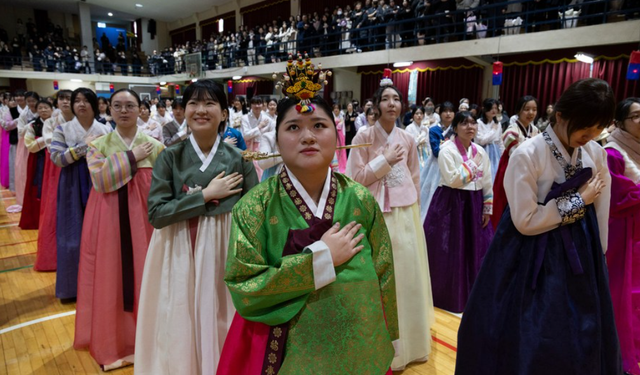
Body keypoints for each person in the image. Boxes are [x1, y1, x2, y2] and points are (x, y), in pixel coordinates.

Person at [218, 57, 398, 374]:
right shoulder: (255, 205)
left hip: (360, 345)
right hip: (289, 352)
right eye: (293, 127)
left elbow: (384, 273)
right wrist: (320, 259)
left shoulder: (360, 199)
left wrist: (388, 333)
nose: (308, 137)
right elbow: (243, 287)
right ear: (277, 140)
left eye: (319, 125)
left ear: (337, 136)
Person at [455, 78, 621, 375]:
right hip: (530, 254)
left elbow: (601, 209)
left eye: (598, 130)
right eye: (586, 128)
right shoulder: (527, 154)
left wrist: (601, 256)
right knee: (532, 335)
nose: (591, 136)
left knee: (583, 335)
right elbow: (525, 220)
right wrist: (577, 202)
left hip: (582, 255)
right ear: (560, 115)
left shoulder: (595, 153)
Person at [135, 80, 258, 375]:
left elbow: (255, 214)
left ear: (224, 113)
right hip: (178, 247)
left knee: (221, 314)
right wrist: (204, 196)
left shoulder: (240, 160)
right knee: (181, 316)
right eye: (193, 103)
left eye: (210, 103)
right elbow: (156, 213)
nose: (200, 110)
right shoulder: (169, 156)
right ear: (184, 110)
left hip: (225, 249)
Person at [346, 75, 433, 371]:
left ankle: (413, 343)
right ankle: (383, 346)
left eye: (396, 99)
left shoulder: (407, 138)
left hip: (405, 214)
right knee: (383, 278)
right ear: (376, 105)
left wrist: (417, 208)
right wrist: (383, 161)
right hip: (377, 216)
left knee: (408, 276)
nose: (392, 103)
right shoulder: (363, 137)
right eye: (386, 99)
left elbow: (415, 175)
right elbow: (355, 179)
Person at [74, 89, 164, 370]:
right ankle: (114, 344)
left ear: (140, 110)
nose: (124, 111)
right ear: (109, 110)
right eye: (117, 106)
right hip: (109, 221)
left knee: (147, 276)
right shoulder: (97, 145)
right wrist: (131, 156)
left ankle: (149, 340)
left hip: (147, 224)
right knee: (110, 277)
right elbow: (100, 180)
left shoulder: (155, 146)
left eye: (130, 106)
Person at [424, 111, 494, 313]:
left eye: (473, 123)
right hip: (451, 203)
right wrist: (473, 164)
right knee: (450, 248)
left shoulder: (480, 150)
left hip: (474, 201)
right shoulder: (447, 150)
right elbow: (453, 179)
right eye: (464, 123)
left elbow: (487, 180)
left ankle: (473, 291)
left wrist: (487, 206)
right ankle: (448, 293)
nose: (470, 127)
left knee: (475, 246)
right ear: (455, 128)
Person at [50, 88, 112, 300]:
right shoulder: (62, 129)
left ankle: (102, 284)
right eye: (77, 101)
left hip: (100, 180)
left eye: (87, 101)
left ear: (95, 105)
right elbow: (57, 159)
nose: (81, 104)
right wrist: (81, 148)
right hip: (72, 184)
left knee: (101, 234)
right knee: (71, 235)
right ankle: (71, 289)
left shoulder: (105, 129)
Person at [604, 97, 640, 375]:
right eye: (637, 115)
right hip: (624, 230)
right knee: (624, 289)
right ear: (620, 122)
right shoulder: (613, 152)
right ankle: (617, 346)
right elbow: (617, 196)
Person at [34, 90, 73, 271]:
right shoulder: (50, 122)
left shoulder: (81, 119)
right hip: (56, 167)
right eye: (62, 99)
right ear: (57, 103)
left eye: (69, 99)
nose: (66, 102)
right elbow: (51, 144)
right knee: (54, 208)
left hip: (81, 166)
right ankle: (54, 256)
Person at [491, 96, 539, 230]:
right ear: (519, 111)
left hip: (531, 172)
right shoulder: (511, 132)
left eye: (534, 110)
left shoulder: (536, 131)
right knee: (508, 203)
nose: (531, 113)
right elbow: (518, 156)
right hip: (512, 171)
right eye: (527, 109)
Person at [419, 101, 455, 222]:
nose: (448, 114)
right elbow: (436, 151)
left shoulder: (457, 129)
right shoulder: (434, 130)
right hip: (437, 165)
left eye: (451, 111)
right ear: (440, 113)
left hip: (454, 164)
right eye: (445, 111)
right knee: (433, 192)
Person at [20, 100, 52, 229]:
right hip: (39, 159)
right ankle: (39, 219)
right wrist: (49, 137)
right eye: (40, 108)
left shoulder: (59, 124)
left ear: (52, 109)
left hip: (56, 159)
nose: (43, 110)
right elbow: (31, 146)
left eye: (46, 107)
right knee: (38, 186)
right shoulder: (32, 126)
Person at [242, 96, 271, 180]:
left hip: (262, 146)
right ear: (250, 105)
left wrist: (253, 133)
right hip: (248, 147)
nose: (257, 106)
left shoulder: (267, 118)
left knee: (263, 168)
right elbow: (246, 135)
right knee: (250, 169)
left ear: (262, 105)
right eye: (254, 103)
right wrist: (259, 127)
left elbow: (268, 135)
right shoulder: (245, 118)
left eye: (259, 103)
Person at [475, 98, 503, 182]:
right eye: (491, 108)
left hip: (496, 152)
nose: (494, 110)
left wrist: (502, 155)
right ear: (484, 109)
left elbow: (500, 141)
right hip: (483, 151)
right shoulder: (478, 122)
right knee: (483, 175)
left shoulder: (498, 123)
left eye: (495, 108)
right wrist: (493, 130)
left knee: (495, 175)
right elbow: (481, 141)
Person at [333, 103, 347, 173]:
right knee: (335, 150)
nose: (336, 109)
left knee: (341, 149)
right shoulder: (331, 117)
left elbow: (341, 126)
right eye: (335, 108)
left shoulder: (341, 117)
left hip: (340, 135)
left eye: (337, 108)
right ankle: (335, 165)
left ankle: (342, 166)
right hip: (333, 135)